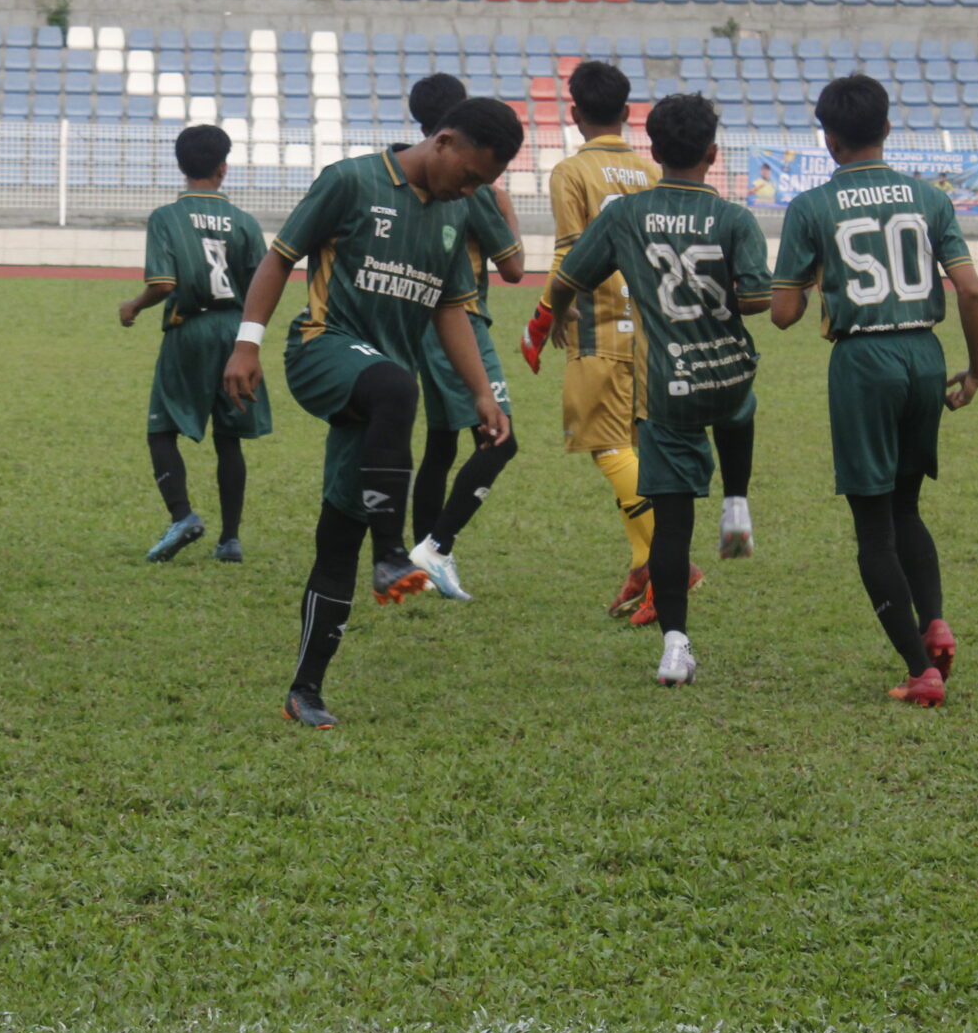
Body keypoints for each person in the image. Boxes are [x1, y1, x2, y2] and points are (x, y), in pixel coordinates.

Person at [223, 97, 522, 730]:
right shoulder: (351, 181)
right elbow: (279, 257)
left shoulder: (455, 211)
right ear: (442, 141)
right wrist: (246, 341)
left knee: (338, 533)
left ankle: (305, 690)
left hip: (380, 395)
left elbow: (449, 309)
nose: (470, 189)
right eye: (469, 174)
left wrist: (481, 393)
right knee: (396, 386)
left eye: (482, 185)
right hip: (323, 349)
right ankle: (393, 553)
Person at [770, 73, 978, 708]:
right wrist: (975, 371)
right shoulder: (929, 197)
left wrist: (812, 275)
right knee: (906, 506)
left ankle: (920, 667)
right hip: (925, 353)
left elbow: (783, 313)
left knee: (872, 525)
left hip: (863, 362)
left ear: (828, 140)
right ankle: (935, 618)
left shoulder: (811, 207)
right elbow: (971, 291)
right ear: (887, 130)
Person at [542, 95, 769, 687]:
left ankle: (675, 646)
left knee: (671, 526)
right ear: (713, 155)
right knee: (741, 399)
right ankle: (737, 503)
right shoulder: (736, 218)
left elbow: (568, 278)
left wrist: (556, 319)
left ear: (655, 153)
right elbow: (758, 300)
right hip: (727, 371)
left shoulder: (626, 217)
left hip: (670, 384)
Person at [118, 123, 272, 563]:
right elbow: (263, 285)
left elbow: (163, 283)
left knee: (161, 428)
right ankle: (230, 540)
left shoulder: (167, 217)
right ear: (224, 168)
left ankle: (182, 515)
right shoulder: (244, 222)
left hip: (189, 330)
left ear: (180, 166)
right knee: (230, 437)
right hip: (236, 332)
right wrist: (251, 341)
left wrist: (134, 305)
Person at [399, 75, 525, 602]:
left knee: (441, 443)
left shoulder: (410, 174)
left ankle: (423, 559)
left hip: (416, 322)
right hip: (462, 321)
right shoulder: (476, 186)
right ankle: (436, 546)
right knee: (501, 440)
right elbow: (514, 266)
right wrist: (505, 205)